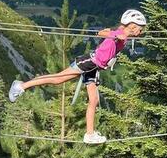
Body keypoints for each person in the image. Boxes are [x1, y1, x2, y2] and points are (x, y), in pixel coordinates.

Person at [8, 9, 147, 144]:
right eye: (140, 29)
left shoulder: (125, 36)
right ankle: (21, 86)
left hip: (94, 68)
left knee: (94, 100)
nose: (141, 32)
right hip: (88, 63)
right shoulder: (117, 33)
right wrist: (116, 35)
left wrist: (121, 37)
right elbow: (101, 33)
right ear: (132, 26)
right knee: (58, 79)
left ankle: (89, 134)